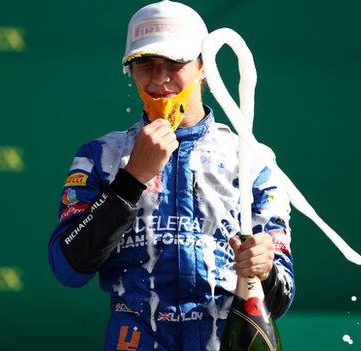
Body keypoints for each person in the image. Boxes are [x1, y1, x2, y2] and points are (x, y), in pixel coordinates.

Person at [47, 1, 295, 350]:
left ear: (203, 67)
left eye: (175, 64)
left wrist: (264, 267)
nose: (160, 80)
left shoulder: (251, 160)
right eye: (145, 65)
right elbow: (66, 268)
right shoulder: (100, 156)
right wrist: (131, 179)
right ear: (130, 71)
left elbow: (281, 299)